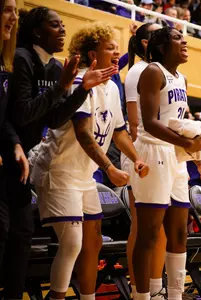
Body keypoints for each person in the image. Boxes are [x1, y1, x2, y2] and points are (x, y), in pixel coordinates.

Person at [30, 22, 148, 300]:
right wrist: (110, 167)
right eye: (110, 47)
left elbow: (119, 132)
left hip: (83, 175)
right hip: (58, 170)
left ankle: (87, 298)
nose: (116, 51)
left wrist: (136, 159)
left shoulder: (112, 88)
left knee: (92, 242)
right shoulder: (81, 82)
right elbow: (83, 134)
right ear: (93, 53)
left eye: (117, 47)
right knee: (72, 243)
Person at [6, 7, 114, 299]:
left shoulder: (56, 67)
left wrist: (79, 91)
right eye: (55, 25)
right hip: (13, 153)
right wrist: (64, 86)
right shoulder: (22, 58)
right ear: (38, 32)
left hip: (25, 160)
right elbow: (23, 113)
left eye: (64, 25)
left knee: (21, 236)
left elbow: (54, 119)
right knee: (14, 236)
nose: (63, 30)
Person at [131, 26, 201, 300]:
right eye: (177, 38)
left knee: (179, 231)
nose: (184, 41)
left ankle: (175, 295)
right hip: (153, 152)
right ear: (162, 47)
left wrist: (196, 152)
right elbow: (151, 123)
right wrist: (187, 143)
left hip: (176, 157)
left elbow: (178, 121)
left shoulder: (182, 78)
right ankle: (141, 296)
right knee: (149, 234)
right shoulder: (152, 71)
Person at [122, 21, 167, 299]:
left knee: (158, 227)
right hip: (143, 153)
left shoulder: (162, 71)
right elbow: (135, 123)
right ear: (148, 44)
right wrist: (140, 158)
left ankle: (155, 288)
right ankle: (139, 289)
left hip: (162, 154)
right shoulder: (138, 71)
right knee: (141, 227)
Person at [0, 1, 31, 299]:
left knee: (7, 232)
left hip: (4, 162)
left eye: (16, 11)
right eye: (7, 9)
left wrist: (15, 144)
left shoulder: (5, 62)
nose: (14, 17)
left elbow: (3, 118)